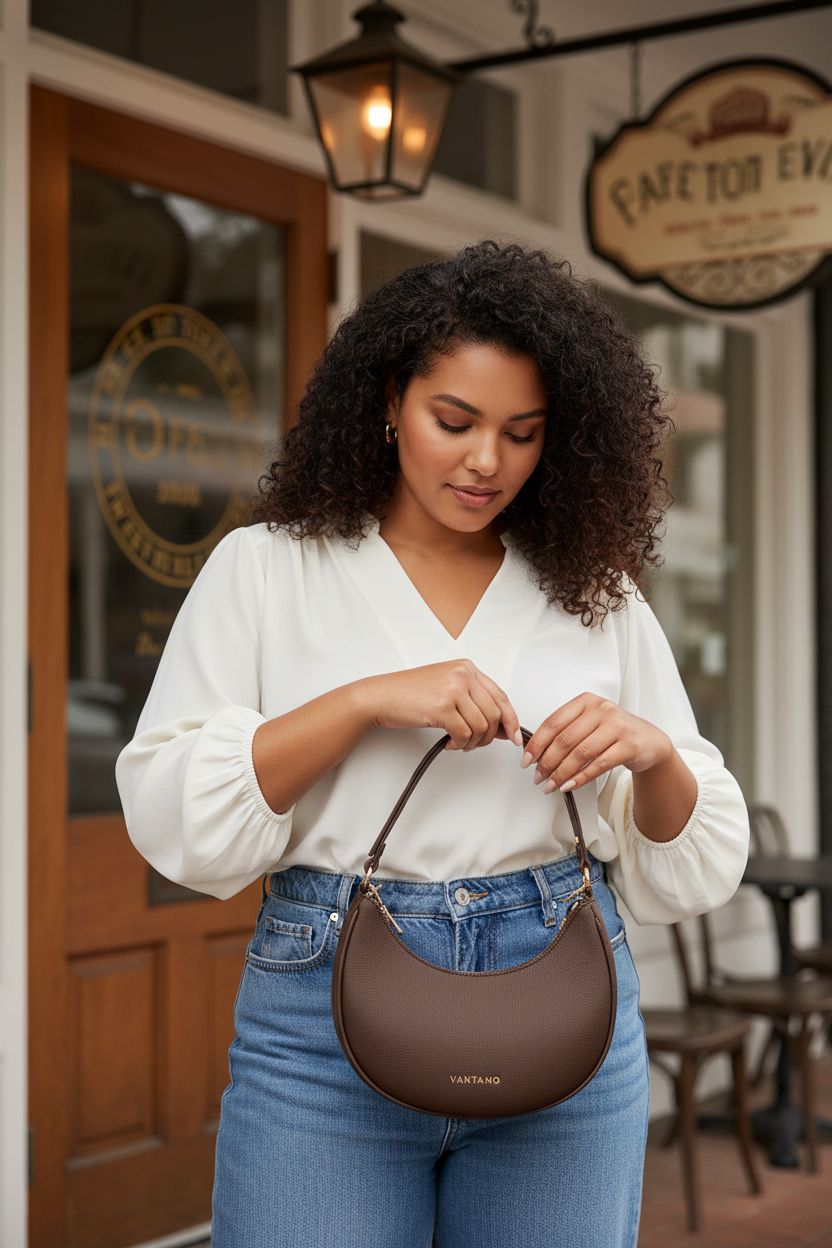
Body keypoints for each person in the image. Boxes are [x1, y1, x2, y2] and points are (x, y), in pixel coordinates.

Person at [115, 239, 750, 1248]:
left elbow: (684, 866)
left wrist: (653, 754)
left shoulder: (593, 594)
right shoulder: (268, 570)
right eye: (453, 421)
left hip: (563, 1008)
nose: (486, 460)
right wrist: (364, 701)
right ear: (387, 402)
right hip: (322, 1021)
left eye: (522, 433)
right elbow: (175, 811)